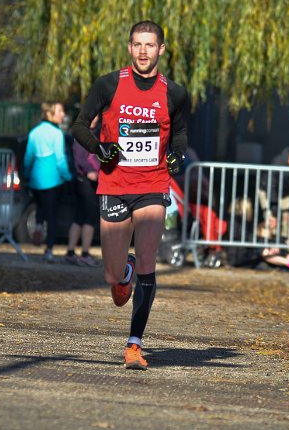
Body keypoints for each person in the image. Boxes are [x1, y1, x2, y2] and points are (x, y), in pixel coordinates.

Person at [72, 20, 189, 370]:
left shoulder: (175, 93)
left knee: (149, 260)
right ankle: (125, 272)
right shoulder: (108, 84)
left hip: (152, 184)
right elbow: (79, 125)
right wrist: (99, 148)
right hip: (114, 184)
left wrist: (177, 155)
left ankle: (134, 345)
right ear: (129, 47)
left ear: (161, 49)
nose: (143, 51)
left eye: (150, 45)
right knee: (112, 277)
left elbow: (180, 134)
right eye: (137, 44)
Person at [24, 102, 73, 262]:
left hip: (36, 179)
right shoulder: (57, 133)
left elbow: (28, 158)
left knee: (40, 206)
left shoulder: (34, 133)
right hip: (53, 179)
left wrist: (26, 175)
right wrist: (68, 176)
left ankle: (38, 225)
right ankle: (49, 250)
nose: (63, 114)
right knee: (52, 215)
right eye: (60, 111)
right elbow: (60, 159)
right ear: (49, 114)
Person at [64, 116, 100, 266]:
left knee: (79, 216)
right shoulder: (83, 134)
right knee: (89, 216)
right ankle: (84, 253)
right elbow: (80, 156)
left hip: (87, 180)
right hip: (85, 180)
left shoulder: (94, 133)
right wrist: (89, 170)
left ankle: (70, 251)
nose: (95, 118)